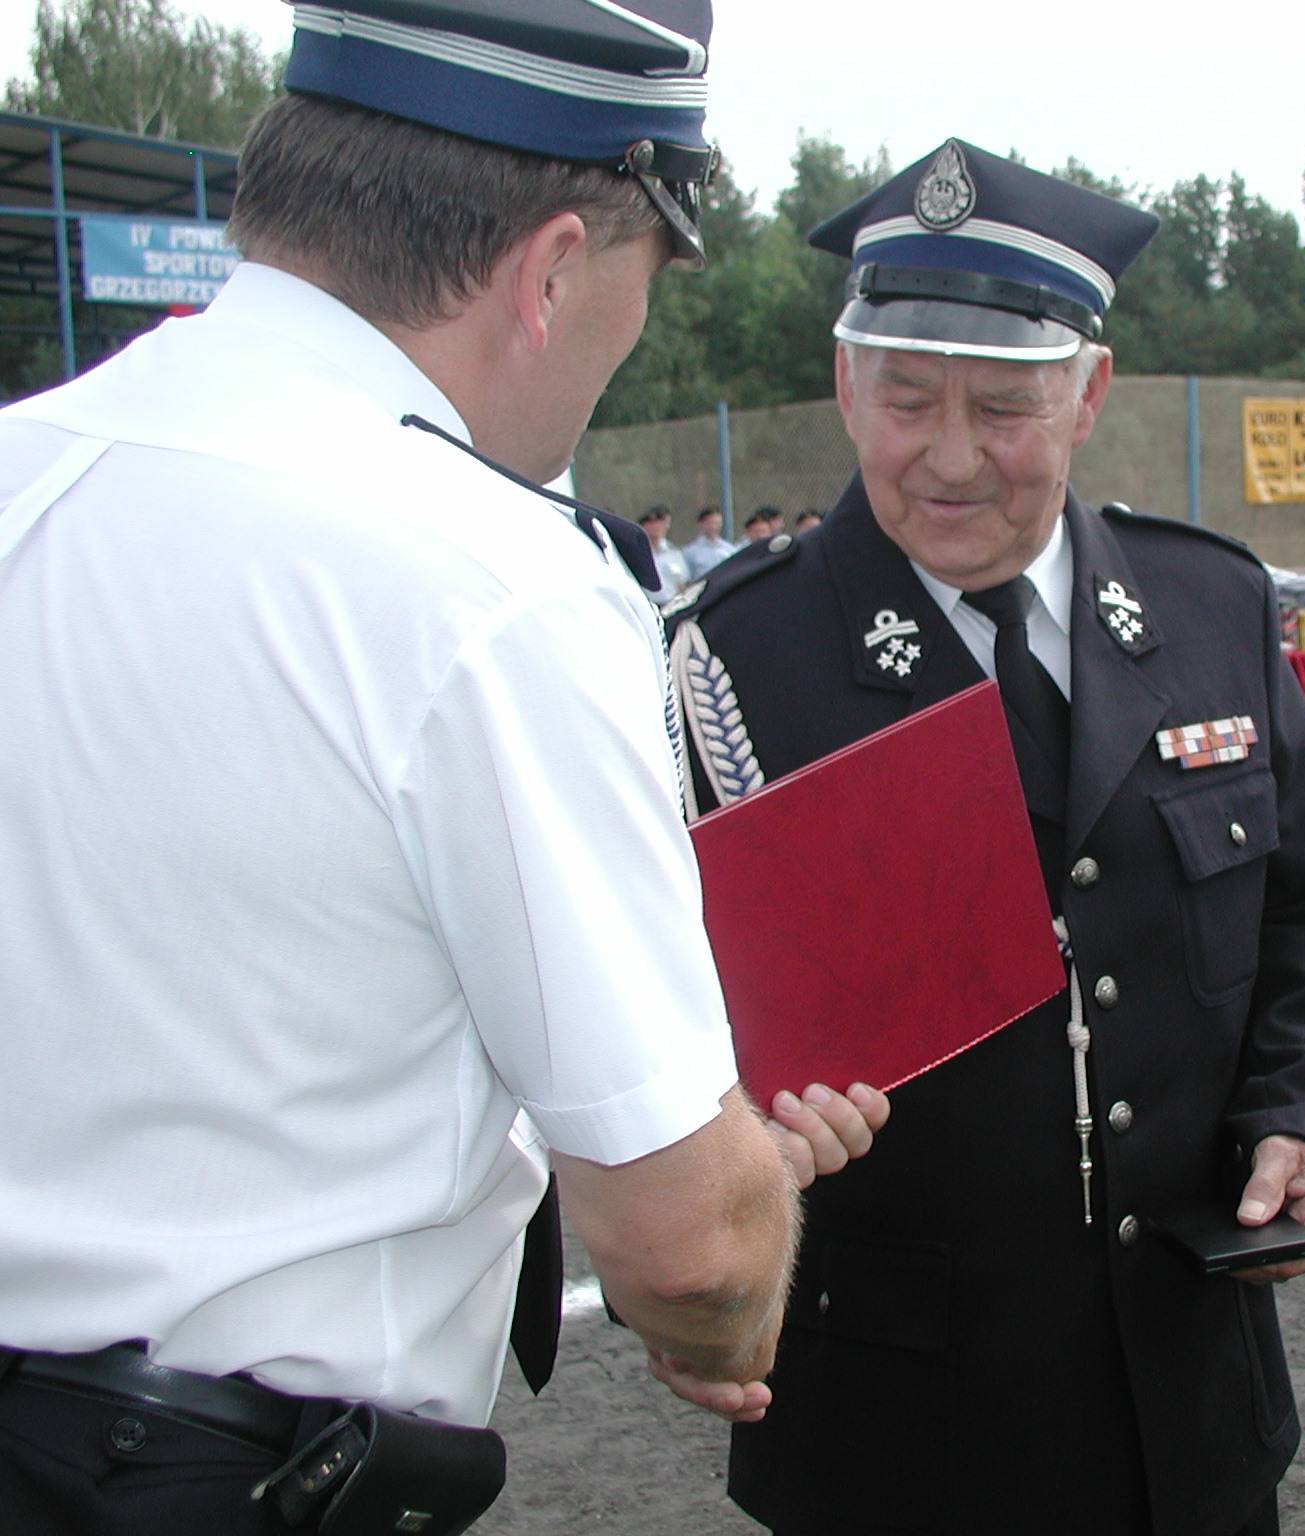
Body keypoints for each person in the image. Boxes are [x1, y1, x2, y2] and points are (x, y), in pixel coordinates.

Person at [0, 5, 884, 1530]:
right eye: (640, 290)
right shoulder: (491, 582)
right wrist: (741, 1235)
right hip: (213, 1478)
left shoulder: (29, 468)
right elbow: (689, 1255)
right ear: (552, 272)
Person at [666, 138, 1305, 1536]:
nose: (948, 457)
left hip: (1186, 1402)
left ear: (1088, 395)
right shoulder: (736, 663)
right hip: (895, 1433)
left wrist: (1301, 1119)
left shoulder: (1211, 610)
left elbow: (1302, 918)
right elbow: (654, 1011)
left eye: (1002, 408)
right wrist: (710, 1210)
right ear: (844, 383)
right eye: (904, 399)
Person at [639, 503, 692, 601]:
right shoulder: (637, 553)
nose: (657, 528)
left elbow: (682, 583)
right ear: (644, 526)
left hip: (670, 604)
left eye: (662, 524)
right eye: (652, 524)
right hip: (644, 605)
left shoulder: (674, 554)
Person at [681, 504, 738, 579]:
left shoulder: (730, 550)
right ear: (701, 524)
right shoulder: (690, 552)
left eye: (717, 523)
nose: (713, 527)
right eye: (710, 523)